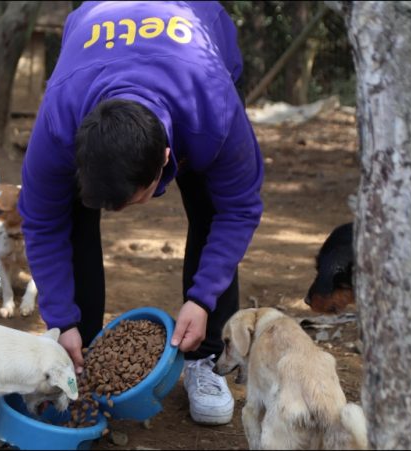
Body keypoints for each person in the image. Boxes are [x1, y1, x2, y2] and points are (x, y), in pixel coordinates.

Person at [18, 1, 263, 426]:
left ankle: (205, 360)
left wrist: (203, 298)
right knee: (70, 217)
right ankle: (80, 352)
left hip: (199, 50)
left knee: (210, 206)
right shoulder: (59, 122)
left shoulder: (215, 111)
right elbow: (42, 221)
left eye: (136, 199)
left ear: (168, 159)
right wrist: (61, 320)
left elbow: (239, 207)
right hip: (95, 45)